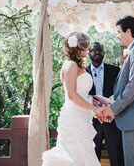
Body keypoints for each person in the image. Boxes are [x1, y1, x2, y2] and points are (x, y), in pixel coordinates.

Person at [42, 32, 107, 166]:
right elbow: (71, 95)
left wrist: (93, 103)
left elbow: (80, 93)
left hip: (81, 116)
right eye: (86, 46)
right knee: (76, 156)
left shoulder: (75, 66)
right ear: (80, 48)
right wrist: (94, 109)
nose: (88, 49)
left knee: (83, 155)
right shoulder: (70, 65)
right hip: (74, 118)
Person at [102, 16, 134, 166]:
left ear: (128, 31)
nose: (117, 35)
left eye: (119, 31)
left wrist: (113, 108)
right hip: (133, 120)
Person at [88, 42, 124, 166]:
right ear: (89, 53)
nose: (97, 52)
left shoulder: (115, 70)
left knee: (117, 156)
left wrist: (109, 109)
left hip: (111, 120)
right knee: (91, 157)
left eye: (100, 50)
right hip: (91, 122)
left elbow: (120, 93)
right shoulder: (83, 73)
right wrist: (95, 111)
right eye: (94, 50)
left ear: (103, 53)